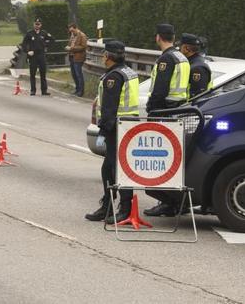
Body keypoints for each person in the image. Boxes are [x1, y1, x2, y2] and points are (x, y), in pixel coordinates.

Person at [85, 40, 139, 224]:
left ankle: (122, 208)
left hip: (116, 128)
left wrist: (103, 131)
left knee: (114, 168)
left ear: (107, 56)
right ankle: (110, 205)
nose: (102, 57)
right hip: (128, 125)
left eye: (103, 54)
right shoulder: (129, 72)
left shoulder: (113, 77)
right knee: (116, 167)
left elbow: (109, 108)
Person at [144, 23, 191, 217]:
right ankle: (177, 202)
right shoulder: (182, 57)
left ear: (158, 37)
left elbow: (160, 89)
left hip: (165, 111)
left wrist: (151, 110)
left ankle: (167, 202)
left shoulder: (166, 59)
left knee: (162, 158)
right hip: (180, 110)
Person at [21, 18, 54, 96]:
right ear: (34, 24)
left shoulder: (44, 33)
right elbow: (23, 44)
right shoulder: (29, 33)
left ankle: (44, 90)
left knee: (43, 73)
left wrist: (46, 46)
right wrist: (28, 51)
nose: (37, 25)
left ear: (41, 25)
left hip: (41, 55)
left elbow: (52, 40)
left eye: (38, 24)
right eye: (36, 24)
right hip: (33, 56)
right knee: (32, 74)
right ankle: (33, 90)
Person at [180, 33, 212, 98]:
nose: (179, 49)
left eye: (181, 46)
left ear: (186, 48)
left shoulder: (198, 68)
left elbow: (197, 96)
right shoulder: (192, 62)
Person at [65, 23, 88, 97]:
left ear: (76, 28)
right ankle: (77, 88)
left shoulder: (82, 35)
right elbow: (70, 44)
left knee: (78, 74)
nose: (72, 32)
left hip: (78, 57)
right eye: (70, 31)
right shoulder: (72, 36)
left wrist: (72, 48)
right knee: (74, 74)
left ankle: (81, 91)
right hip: (72, 57)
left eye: (72, 30)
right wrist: (68, 47)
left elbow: (83, 47)